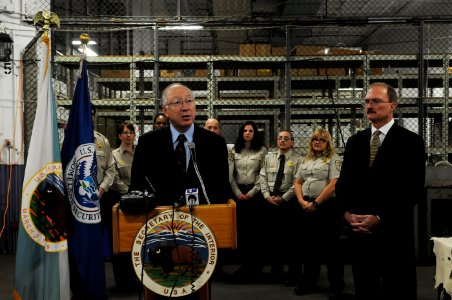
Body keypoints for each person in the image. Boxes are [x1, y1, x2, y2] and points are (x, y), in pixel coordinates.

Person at [335, 82, 426, 300]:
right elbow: (343, 184)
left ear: (392, 105)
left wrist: (380, 217)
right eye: (366, 101)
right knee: (365, 286)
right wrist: (347, 214)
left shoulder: (410, 142)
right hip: (360, 231)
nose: (369, 105)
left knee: (398, 287)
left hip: (394, 231)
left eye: (376, 101)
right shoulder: (355, 142)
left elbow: (412, 189)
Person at [130, 83, 230, 206]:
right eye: (177, 102)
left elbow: (222, 188)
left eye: (189, 101)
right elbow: (137, 186)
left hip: (203, 218)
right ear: (165, 110)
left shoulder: (215, 143)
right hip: (159, 219)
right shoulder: (148, 143)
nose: (185, 107)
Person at [293, 128, 345, 299]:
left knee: (332, 249)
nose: (317, 142)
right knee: (308, 247)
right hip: (306, 205)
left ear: (327, 143)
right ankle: (309, 282)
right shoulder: (306, 159)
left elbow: (333, 185)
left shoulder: (334, 159)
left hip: (326, 207)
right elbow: (298, 182)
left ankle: (336, 287)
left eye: (322, 140)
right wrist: (302, 201)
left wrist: (316, 203)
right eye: (315, 139)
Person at [259, 130, 302, 285]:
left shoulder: (299, 160)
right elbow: (262, 177)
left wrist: (283, 198)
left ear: (292, 142)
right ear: (277, 141)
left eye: (286, 139)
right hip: (270, 201)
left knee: (291, 241)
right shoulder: (268, 158)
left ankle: (294, 275)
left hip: (288, 203)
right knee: (273, 239)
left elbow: (298, 182)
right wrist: (266, 196)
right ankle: (275, 273)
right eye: (280, 138)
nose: (283, 141)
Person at [230, 120, 268, 282]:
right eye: (245, 130)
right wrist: (238, 193)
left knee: (256, 232)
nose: (247, 133)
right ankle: (245, 267)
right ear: (241, 133)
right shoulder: (234, 151)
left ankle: (256, 268)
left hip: (256, 194)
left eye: (251, 131)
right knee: (242, 232)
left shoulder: (262, 151)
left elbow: (263, 175)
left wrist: (252, 193)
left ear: (255, 133)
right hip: (238, 193)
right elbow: (230, 175)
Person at [110, 121, 138, 291]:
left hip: (139, 202)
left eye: (131, 132)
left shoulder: (140, 153)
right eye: (125, 133)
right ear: (119, 136)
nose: (128, 135)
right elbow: (114, 179)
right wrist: (130, 193)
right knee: (121, 242)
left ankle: (137, 278)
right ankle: (122, 281)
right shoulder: (114, 155)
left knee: (137, 241)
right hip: (123, 202)